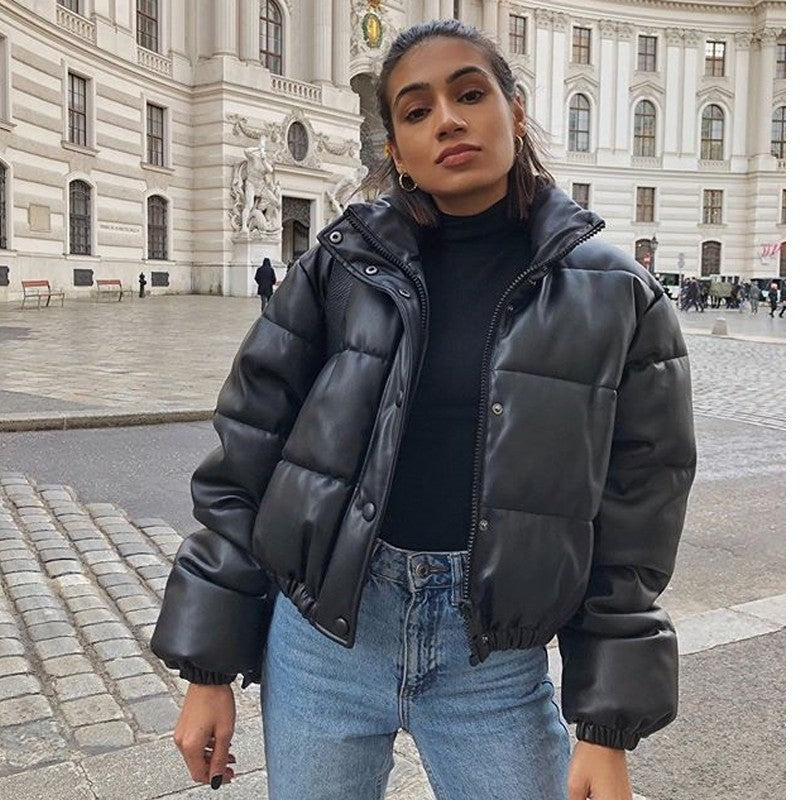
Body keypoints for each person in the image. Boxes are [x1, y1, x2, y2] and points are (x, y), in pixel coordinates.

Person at [151, 20, 696, 800]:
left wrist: (605, 729)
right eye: (415, 110)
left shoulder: (618, 296)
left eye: (469, 94)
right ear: (398, 152)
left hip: (492, 662)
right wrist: (208, 669)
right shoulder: (338, 267)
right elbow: (246, 456)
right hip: (325, 644)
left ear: (515, 111)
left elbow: (639, 514)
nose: (446, 119)